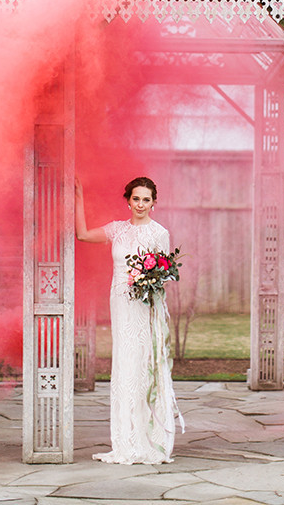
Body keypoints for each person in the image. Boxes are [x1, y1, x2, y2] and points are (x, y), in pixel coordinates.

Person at [75, 175, 183, 464]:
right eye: (136, 198)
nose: (140, 204)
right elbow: (83, 234)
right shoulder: (117, 230)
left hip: (145, 307)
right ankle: (125, 440)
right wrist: (79, 198)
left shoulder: (160, 233)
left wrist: (149, 287)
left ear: (154, 203)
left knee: (143, 366)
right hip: (120, 304)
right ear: (128, 200)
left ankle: (150, 440)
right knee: (125, 365)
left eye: (146, 199)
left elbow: (163, 276)